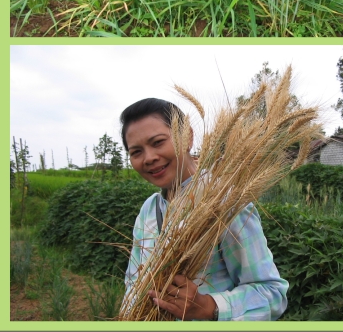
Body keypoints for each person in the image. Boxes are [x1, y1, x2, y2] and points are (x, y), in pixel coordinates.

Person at [120, 98, 288, 321]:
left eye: (158, 142)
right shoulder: (149, 210)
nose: (149, 158)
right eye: (136, 152)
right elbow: (133, 282)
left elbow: (273, 294)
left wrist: (209, 307)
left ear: (187, 137)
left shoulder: (226, 203)